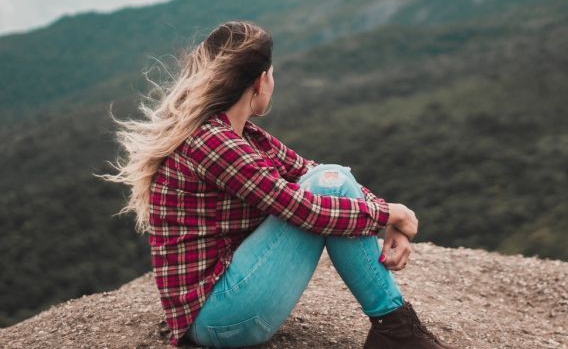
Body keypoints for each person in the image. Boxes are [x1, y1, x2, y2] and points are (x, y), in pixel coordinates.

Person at [98, 21, 457, 348]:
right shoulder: (213, 143)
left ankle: (394, 329)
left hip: (226, 302)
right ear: (260, 81)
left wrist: (392, 219)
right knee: (323, 190)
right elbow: (302, 207)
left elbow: (318, 173)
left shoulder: (241, 136)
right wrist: (389, 213)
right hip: (218, 319)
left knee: (329, 175)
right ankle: (395, 329)